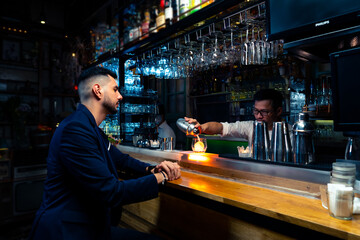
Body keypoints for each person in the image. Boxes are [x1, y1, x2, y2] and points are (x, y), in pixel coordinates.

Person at [28, 67, 181, 240]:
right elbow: (110, 192)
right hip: (67, 230)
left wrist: (151, 169)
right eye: (115, 89)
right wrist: (161, 178)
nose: (120, 96)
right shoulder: (75, 130)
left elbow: (121, 159)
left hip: (89, 227)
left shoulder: (90, 128)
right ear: (97, 90)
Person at [185, 88, 286, 145]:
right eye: (256, 111)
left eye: (264, 112)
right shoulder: (251, 127)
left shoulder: (290, 134)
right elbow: (221, 127)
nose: (258, 116)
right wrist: (201, 127)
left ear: (278, 111)